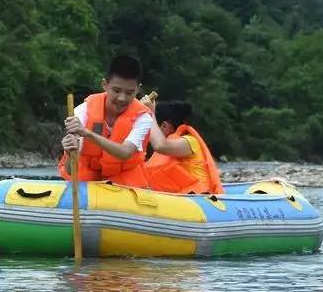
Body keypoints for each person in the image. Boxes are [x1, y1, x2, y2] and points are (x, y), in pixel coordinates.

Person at [59, 55, 154, 188]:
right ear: (105, 84)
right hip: (89, 180)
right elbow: (71, 170)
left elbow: (125, 153)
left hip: (124, 182)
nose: (122, 98)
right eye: (116, 90)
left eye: (129, 92)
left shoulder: (143, 118)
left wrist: (88, 133)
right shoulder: (82, 112)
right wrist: (71, 152)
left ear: (138, 89)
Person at [144, 100, 224, 195]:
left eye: (149, 126)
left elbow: (160, 146)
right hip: (178, 197)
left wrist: (151, 114)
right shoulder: (166, 148)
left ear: (164, 126)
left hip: (201, 198)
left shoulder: (188, 142)